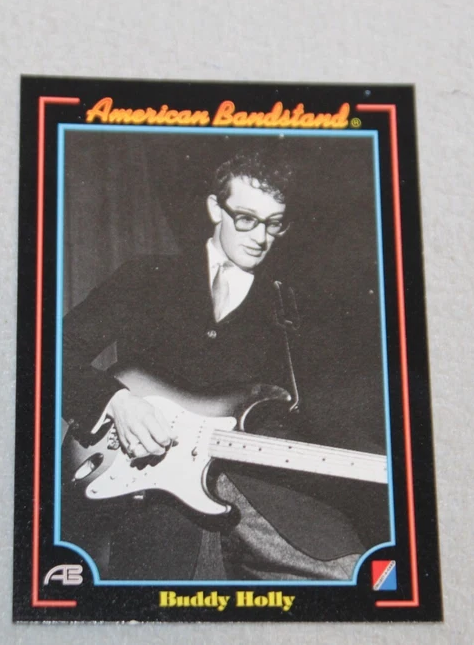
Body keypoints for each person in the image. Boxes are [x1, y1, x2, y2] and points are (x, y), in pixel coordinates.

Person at [61, 149, 370, 580]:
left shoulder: (296, 308)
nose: (260, 237)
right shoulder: (145, 276)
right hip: (156, 515)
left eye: (274, 223)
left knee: (361, 580)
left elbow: (330, 412)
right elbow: (46, 354)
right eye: (245, 219)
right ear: (214, 207)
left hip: (268, 507)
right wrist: (116, 402)